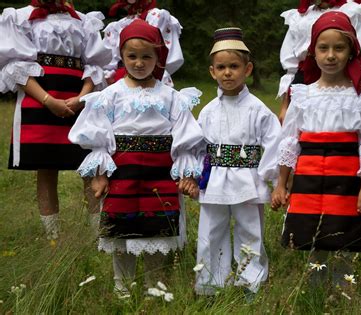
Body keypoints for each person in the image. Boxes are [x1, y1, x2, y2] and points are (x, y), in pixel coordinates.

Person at [68, 19, 203, 297]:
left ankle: (155, 285)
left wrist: (187, 174)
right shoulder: (109, 95)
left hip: (160, 175)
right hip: (123, 174)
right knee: (121, 230)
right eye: (132, 56)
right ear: (122, 56)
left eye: (146, 56)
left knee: (158, 230)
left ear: (158, 57)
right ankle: (122, 287)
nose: (139, 63)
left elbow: (186, 137)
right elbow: (99, 137)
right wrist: (100, 174)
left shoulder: (172, 97)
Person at [271, 11, 361, 288]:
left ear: (351, 52)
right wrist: (281, 184)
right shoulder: (303, 94)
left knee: (343, 237)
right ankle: (315, 292)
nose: (331, 55)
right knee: (313, 237)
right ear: (313, 53)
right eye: (323, 48)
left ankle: (344, 292)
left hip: (345, 181)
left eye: (339, 48)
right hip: (308, 179)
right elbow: (289, 142)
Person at [0, 0, 112, 240]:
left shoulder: (83, 21)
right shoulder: (20, 18)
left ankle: (98, 237)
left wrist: (83, 98)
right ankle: (53, 239)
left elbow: (95, 64)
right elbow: (15, 65)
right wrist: (48, 100)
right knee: (46, 168)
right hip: (39, 101)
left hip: (79, 101)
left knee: (90, 166)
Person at [194, 27, 281, 298]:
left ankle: (250, 282)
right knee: (210, 232)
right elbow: (197, 146)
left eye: (234, 66)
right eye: (221, 67)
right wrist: (193, 175)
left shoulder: (258, 110)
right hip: (215, 181)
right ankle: (211, 284)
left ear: (248, 69)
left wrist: (275, 181)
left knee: (250, 232)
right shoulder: (208, 111)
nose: (227, 72)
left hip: (248, 181)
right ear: (212, 71)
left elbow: (275, 145)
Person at [277, 0, 361, 123]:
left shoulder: (353, 11)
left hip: (343, 85)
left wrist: (351, 96)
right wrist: (285, 107)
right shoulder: (300, 17)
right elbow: (291, 68)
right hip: (303, 84)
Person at [103, 0, 183, 87]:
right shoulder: (117, 26)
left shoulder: (157, 17)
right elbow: (109, 63)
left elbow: (167, 55)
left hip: (152, 79)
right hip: (123, 82)